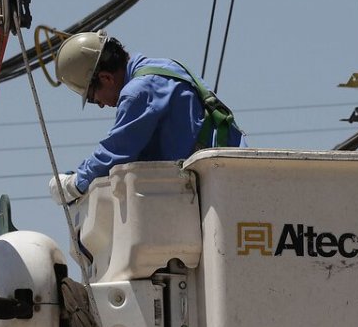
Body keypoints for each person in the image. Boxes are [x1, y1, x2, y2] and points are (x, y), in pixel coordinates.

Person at [48, 31, 243, 205]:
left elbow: (117, 152)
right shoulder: (166, 67)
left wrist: (74, 184)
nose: (99, 104)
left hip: (216, 187)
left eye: (92, 98)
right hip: (230, 173)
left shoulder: (138, 92)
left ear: (106, 78)